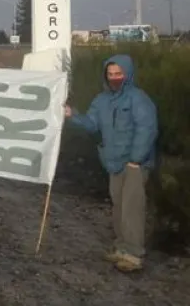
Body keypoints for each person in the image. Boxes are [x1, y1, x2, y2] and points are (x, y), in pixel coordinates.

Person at [65, 54, 158, 273]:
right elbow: (91, 125)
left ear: (127, 74)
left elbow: (147, 128)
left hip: (134, 164)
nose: (114, 77)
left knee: (132, 209)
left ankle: (134, 254)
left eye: (119, 73)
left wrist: (136, 159)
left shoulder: (138, 98)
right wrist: (71, 115)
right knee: (119, 206)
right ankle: (121, 247)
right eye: (111, 74)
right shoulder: (101, 101)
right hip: (113, 163)